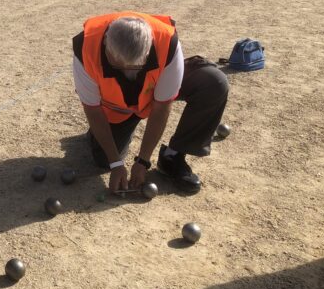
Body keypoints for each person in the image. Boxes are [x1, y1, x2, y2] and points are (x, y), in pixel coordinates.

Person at [72, 12, 228, 194]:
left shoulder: (167, 44)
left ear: (148, 51)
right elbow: (93, 110)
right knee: (104, 160)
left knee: (213, 83)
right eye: (118, 65)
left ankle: (173, 156)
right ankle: (101, 134)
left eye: (135, 66)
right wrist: (116, 162)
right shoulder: (85, 49)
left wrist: (143, 160)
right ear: (106, 43)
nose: (127, 71)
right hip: (118, 106)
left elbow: (162, 107)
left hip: (153, 87)